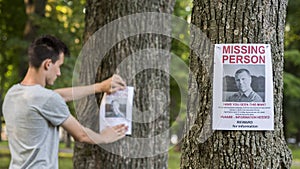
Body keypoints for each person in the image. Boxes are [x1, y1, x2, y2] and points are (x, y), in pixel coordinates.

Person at [2, 35, 128, 169]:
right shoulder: (47, 100)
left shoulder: (13, 94)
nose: (59, 73)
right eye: (59, 66)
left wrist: (100, 87)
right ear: (48, 64)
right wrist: (105, 137)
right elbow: (82, 135)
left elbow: (57, 96)